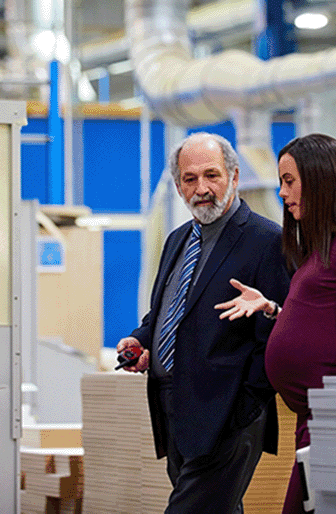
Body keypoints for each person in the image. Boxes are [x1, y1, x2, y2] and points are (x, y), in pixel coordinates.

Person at [216, 133, 336, 514]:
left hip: (330, 418)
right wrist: (276, 312)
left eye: (289, 181)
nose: (281, 192)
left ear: (321, 179)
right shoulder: (322, 248)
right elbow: (326, 323)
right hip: (311, 416)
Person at [116, 132, 291, 514]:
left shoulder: (266, 240)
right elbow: (167, 312)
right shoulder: (178, 239)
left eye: (211, 175)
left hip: (227, 409)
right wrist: (140, 340)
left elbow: (277, 330)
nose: (202, 188)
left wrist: (246, 405)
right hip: (173, 404)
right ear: (179, 186)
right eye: (190, 179)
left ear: (234, 176)